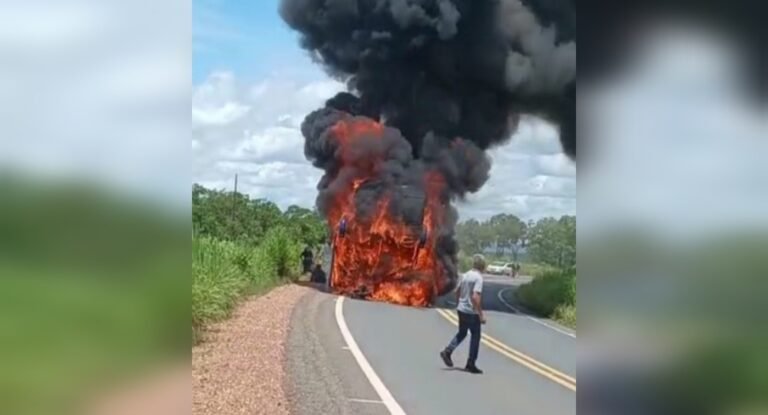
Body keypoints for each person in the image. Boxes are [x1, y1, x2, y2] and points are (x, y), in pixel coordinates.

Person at [440, 254, 486, 374]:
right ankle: (471, 363)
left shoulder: (465, 275)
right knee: (475, 336)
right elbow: (476, 297)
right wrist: (480, 314)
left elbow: (457, 291)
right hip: (471, 312)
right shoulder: (478, 278)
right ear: (482, 265)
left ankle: (448, 351)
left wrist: (459, 303)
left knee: (462, 332)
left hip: (461, 309)